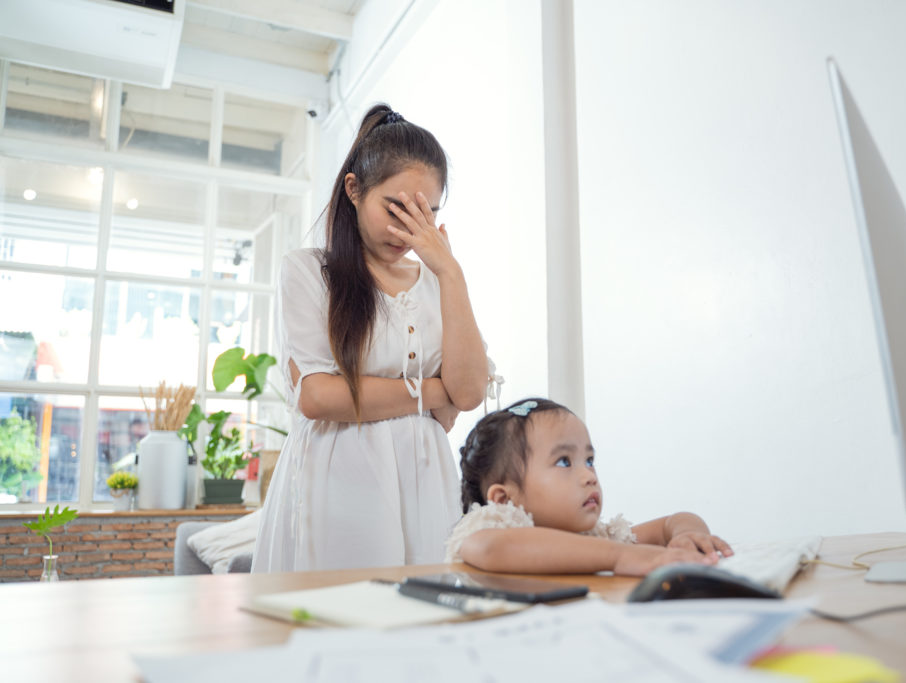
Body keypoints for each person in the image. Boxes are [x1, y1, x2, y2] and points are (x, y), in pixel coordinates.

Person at [252, 104, 489, 572]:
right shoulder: (309, 272)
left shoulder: (438, 280)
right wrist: (434, 392)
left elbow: (470, 392)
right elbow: (318, 398)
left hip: (425, 484)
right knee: (338, 622)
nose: (409, 229)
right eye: (397, 208)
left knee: (421, 625)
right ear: (355, 190)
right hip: (338, 480)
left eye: (428, 213)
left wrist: (450, 271)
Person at [446, 398, 732, 576]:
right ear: (504, 500)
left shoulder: (593, 537)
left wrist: (688, 536)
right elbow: (490, 548)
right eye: (563, 462)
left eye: (590, 460)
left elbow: (674, 521)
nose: (589, 476)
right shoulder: (488, 528)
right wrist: (620, 556)